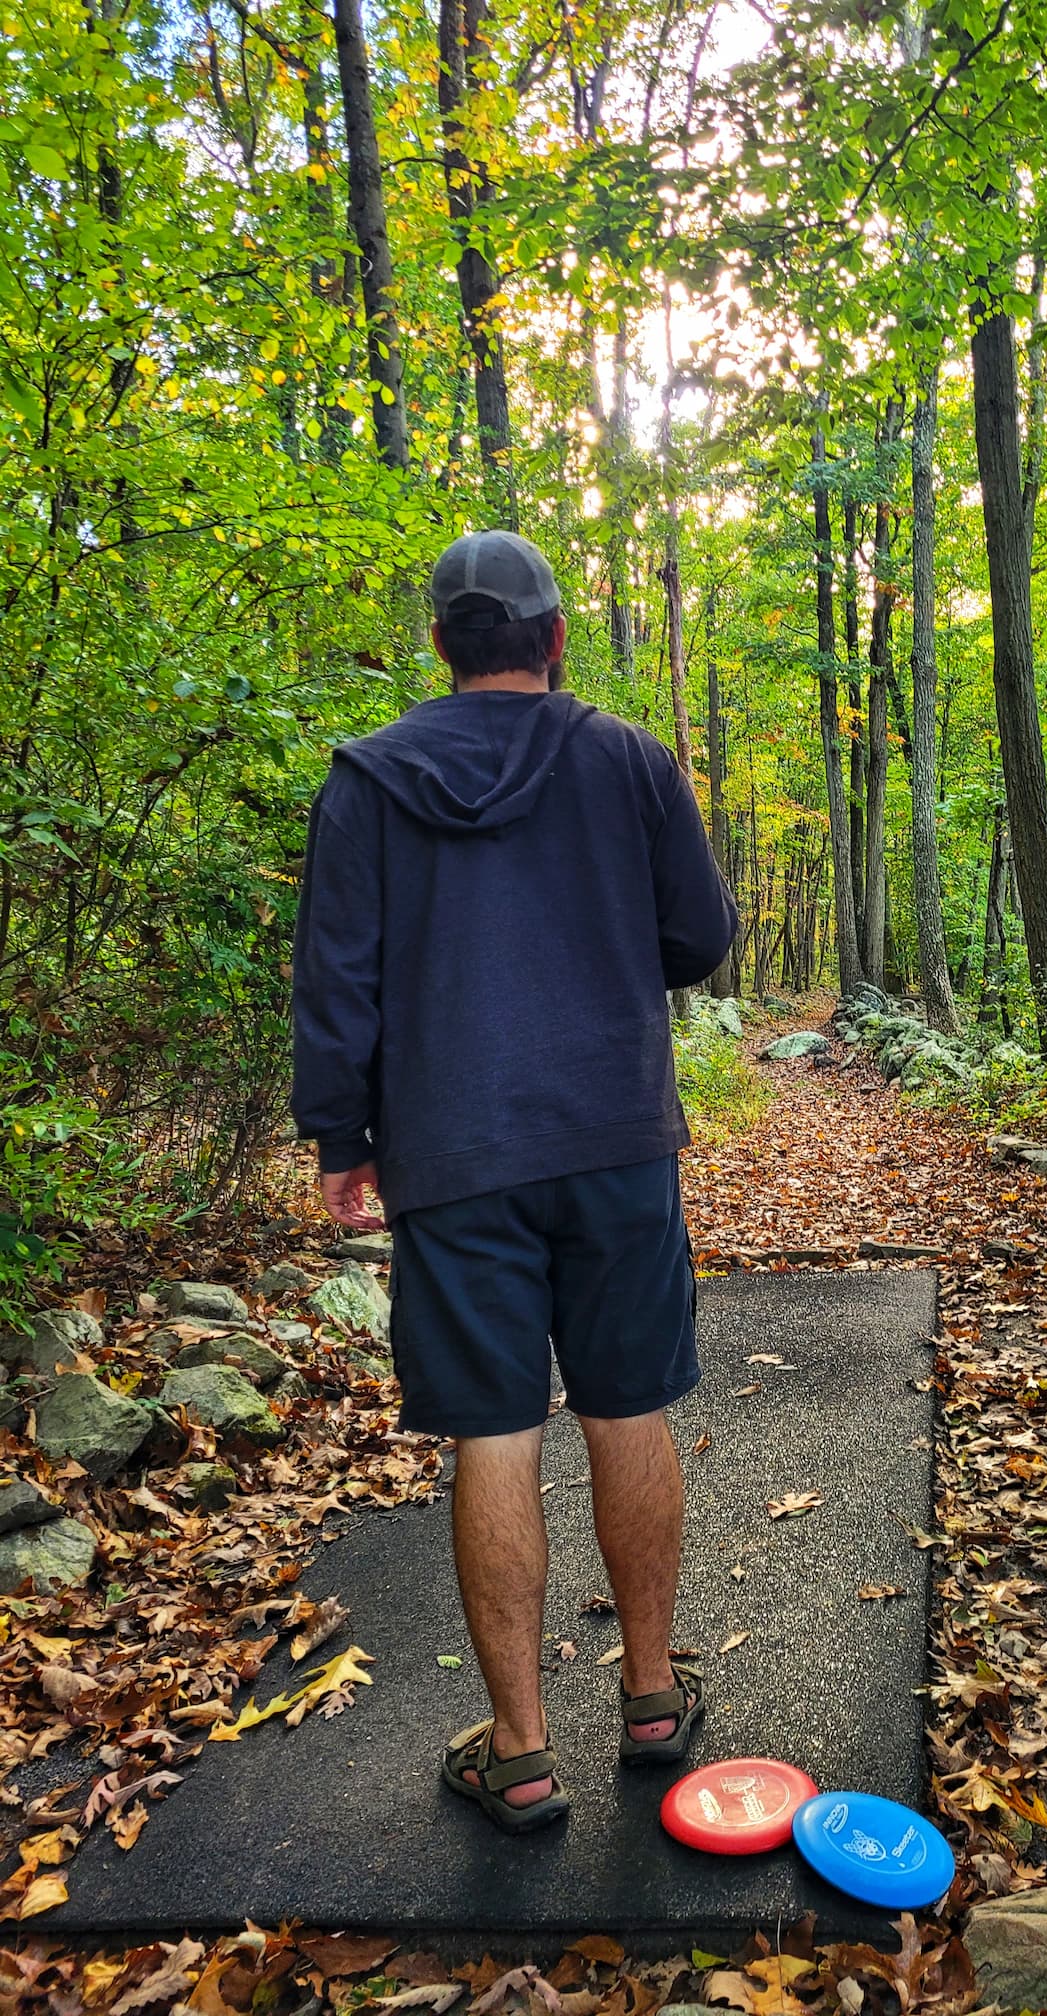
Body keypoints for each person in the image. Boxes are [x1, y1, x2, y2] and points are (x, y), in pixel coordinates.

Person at [291, 528, 738, 1832]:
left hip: (452, 1150)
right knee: (628, 1400)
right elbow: (700, 939)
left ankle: (523, 1750)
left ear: (441, 644)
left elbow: (340, 977)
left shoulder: (368, 780)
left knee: (494, 1432)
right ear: (552, 640)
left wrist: (341, 1136)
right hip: (611, 1137)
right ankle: (653, 1699)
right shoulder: (630, 761)